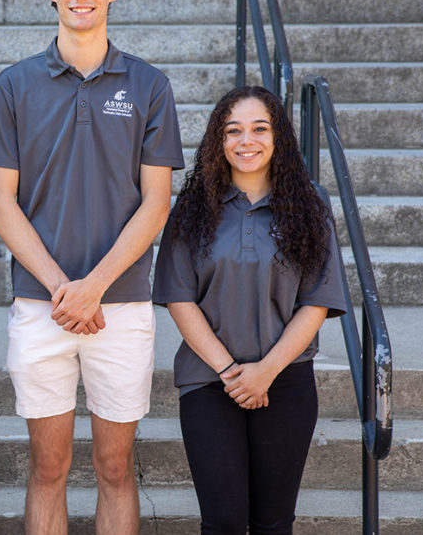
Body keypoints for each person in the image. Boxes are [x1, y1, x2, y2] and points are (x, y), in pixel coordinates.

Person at [0, 0, 185, 533]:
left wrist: (93, 287)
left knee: (115, 468)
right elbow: (0, 202)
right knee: (49, 467)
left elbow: (156, 202)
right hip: (41, 305)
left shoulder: (149, 86)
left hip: (121, 305)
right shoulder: (13, 86)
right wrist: (63, 289)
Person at [152, 85, 348, 534]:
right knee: (222, 523)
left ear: (278, 137)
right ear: (218, 141)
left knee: (273, 524)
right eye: (233, 130)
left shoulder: (310, 205)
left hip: (286, 381)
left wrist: (265, 371)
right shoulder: (192, 209)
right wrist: (231, 373)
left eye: (260, 129)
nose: (246, 141)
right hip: (208, 382)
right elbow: (179, 298)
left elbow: (317, 301)